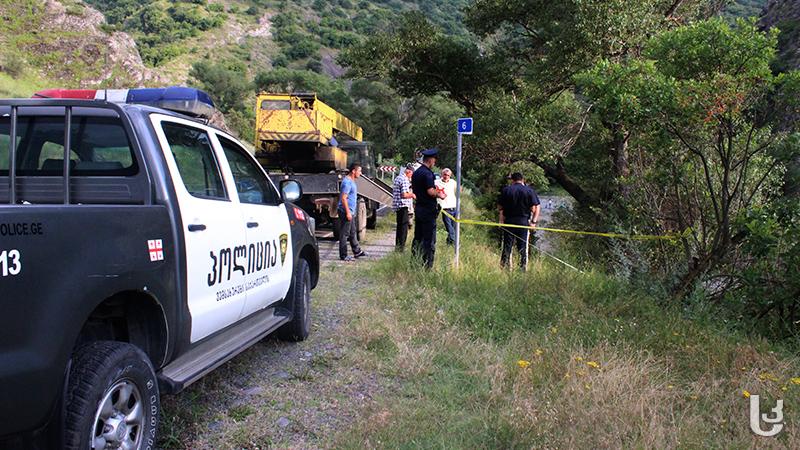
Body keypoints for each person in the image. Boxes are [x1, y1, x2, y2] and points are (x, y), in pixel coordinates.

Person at [411, 148, 446, 269]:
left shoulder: (416, 172)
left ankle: (414, 262)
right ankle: (427, 266)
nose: (434, 163)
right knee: (429, 240)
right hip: (428, 210)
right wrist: (440, 195)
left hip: (419, 207)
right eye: (434, 161)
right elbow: (430, 191)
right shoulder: (428, 174)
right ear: (430, 160)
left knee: (418, 238)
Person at [498, 172, 540, 271]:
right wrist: (533, 222)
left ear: (512, 180)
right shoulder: (529, 191)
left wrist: (501, 220)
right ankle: (522, 267)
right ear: (523, 180)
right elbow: (536, 208)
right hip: (523, 221)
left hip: (509, 220)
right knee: (522, 246)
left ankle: (505, 267)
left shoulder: (506, 190)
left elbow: (500, 207)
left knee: (507, 246)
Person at [338, 163, 367, 261]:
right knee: (344, 234)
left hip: (351, 211)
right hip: (346, 211)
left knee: (353, 232)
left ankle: (357, 251)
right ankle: (343, 255)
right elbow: (343, 198)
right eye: (359, 171)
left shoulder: (352, 181)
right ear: (353, 171)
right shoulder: (347, 182)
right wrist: (348, 212)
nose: (360, 173)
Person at [392, 164, 416, 250]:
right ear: (409, 172)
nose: (411, 176)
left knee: (399, 227)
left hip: (398, 206)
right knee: (403, 228)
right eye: (411, 174)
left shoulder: (398, 178)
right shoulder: (404, 179)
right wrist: (413, 195)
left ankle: (398, 246)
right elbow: (404, 194)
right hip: (403, 206)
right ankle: (401, 247)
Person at [436, 168, 457, 245]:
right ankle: (454, 243)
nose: (446, 176)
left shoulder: (453, 182)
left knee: (454, 227)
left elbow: (458, 191)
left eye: (448, 175)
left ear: (450, 176)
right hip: (445, 208)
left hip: (454, 208)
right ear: (442, 174)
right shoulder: (436, 182)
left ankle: (449, 244)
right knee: (449, 228)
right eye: (445, 174)